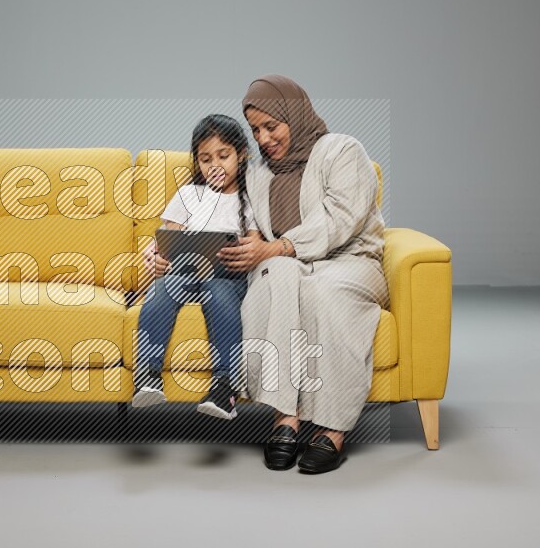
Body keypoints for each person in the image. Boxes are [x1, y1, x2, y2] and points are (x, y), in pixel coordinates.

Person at [216, 75, 390, 473]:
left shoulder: (342, 150)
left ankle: (332, 428)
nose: (263, 139)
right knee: (274, 278)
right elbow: (248, 220)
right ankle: (285, 414)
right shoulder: (259, 173)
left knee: (321, 293)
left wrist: (278, 246)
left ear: (294, 115)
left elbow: (340, 218)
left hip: (350, 262)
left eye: (271, 127)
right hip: (292, 264)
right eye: (255, 130)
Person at [132, 114, 262, 420]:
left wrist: (241, 251)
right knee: (162, 289)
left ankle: (224, 386)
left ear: (241, 154)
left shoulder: (249, 198)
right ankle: (148, 375)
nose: (214, 166)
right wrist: (156, 254)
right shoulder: (189, 195)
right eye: (205, 159)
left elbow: (255, 246)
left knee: (219, 295)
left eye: (223, 156)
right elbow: (166, 237)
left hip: (227, 277)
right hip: (185, 272)